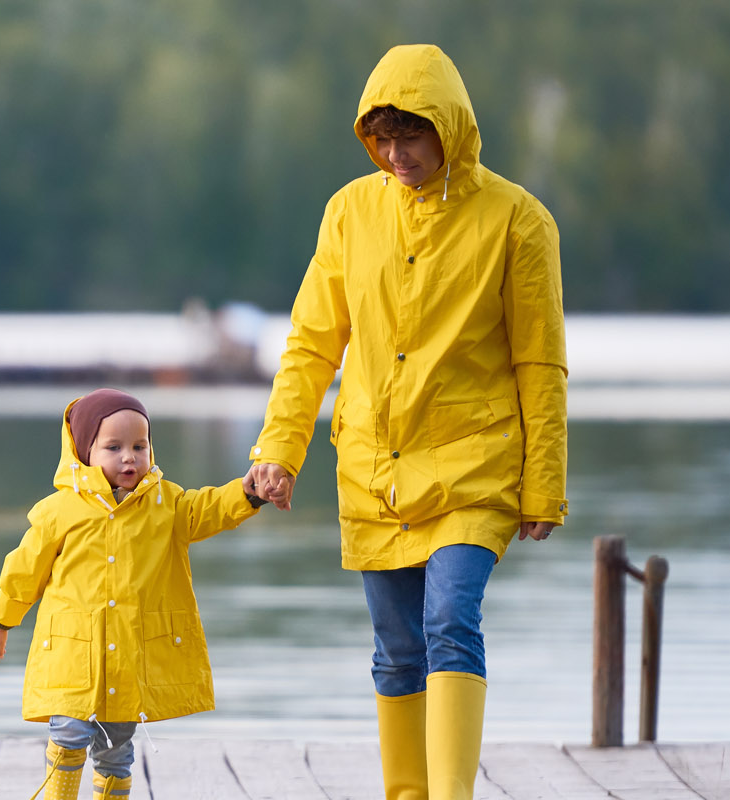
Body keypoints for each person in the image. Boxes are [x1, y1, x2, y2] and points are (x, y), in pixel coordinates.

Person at [245, 44, 569, 800]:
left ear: (450, 129)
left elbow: (539, 364)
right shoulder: (349, 211)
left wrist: (542, 484)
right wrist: (279, 451)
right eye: (382, 139)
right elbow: (312, 344)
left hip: (474, 469)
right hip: (373, 469)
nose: (397, 156)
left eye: (412, 138)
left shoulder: (519, 221)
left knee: (450, 620)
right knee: (396, 651)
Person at [0, 388, 266, 800]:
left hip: (129, 659)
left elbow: (210, 509)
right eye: (113, 447)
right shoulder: (60, 511)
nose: (129, 457)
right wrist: (1, 621)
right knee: (68, 733)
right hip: (72, 656)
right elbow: (24, 571)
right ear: (85, 452)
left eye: (139, 445)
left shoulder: (167, 505)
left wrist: (248, 493)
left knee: (116, 752)